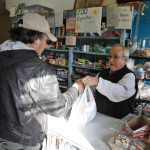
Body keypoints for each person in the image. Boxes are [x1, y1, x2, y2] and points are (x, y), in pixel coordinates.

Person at [0, 13, 84, 150]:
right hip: (22, 141)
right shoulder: (38, 69)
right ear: (36, 39)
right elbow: (58, 109)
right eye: (47, 41)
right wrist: (76, 89)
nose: (46, 45)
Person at [82, 45, 137, 119]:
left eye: (115, 57)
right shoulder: (102, 73)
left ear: (125, 59)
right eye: (110, 56)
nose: (111, 60)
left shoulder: (129, 76)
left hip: (120, 121)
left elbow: (118, 92)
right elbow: (92, 88)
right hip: (100, 117)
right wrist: (84, 84)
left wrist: (98, 82)